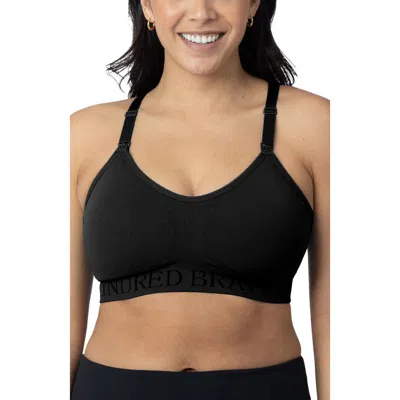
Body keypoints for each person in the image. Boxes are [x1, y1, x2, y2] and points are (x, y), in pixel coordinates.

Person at [70, 0, 330, 399]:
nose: (201, 12)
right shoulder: (85, 134)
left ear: (253, 4)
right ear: (147, 7)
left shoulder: (314, 126)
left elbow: (338, 315)